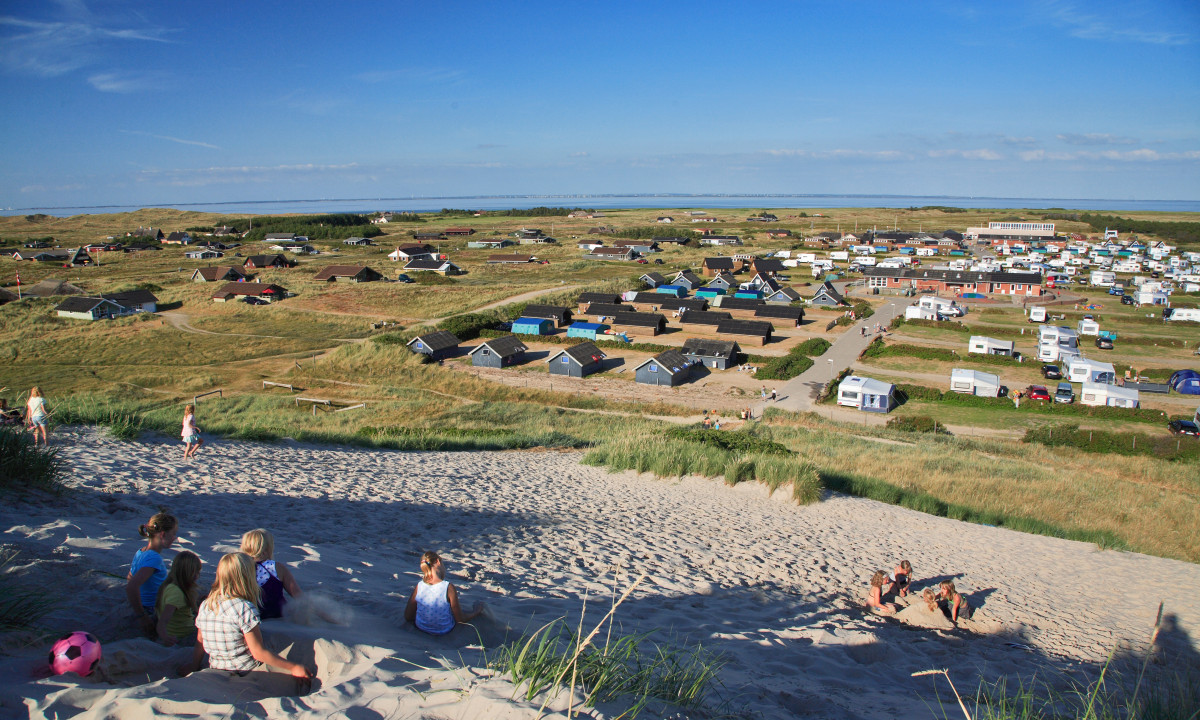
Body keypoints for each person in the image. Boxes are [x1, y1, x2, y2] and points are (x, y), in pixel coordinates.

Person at [192, 553, 313, 680]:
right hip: (245, 670)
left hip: (216, 667)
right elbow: (258, 653)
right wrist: (293, 667)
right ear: (247, 577)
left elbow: (200, 641)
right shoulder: (244, 607)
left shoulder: (207, 604)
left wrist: (194, 665)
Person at [404, 551, 483, 635]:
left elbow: (408, 616)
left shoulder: (419, 586)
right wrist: (476, 611)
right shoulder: (448, 587)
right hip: (443, 630)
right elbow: (460, 620)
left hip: (421, 627)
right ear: (438, 562)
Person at [126, 513, 178, 637]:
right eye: (173, 534)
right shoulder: (154, 558)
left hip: (146, 604)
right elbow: (131, 586)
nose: (175, 538)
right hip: (151, 608)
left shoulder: (141, 552)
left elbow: (130, 577)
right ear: (163, 534)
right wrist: (142, 616)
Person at [240, 529, 303, 619]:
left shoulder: (240, 567)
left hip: (249, 613)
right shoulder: (277, 567)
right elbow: (298, 595)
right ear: (269, 548)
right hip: (275, 612)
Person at [156, 550, 203, 646]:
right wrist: (166, 638)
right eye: (195, 572)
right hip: (183, 636)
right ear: (186, 572)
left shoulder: (170, 585)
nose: (197, 576)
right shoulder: (176, 593)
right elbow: (162, 622)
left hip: (182, 631)